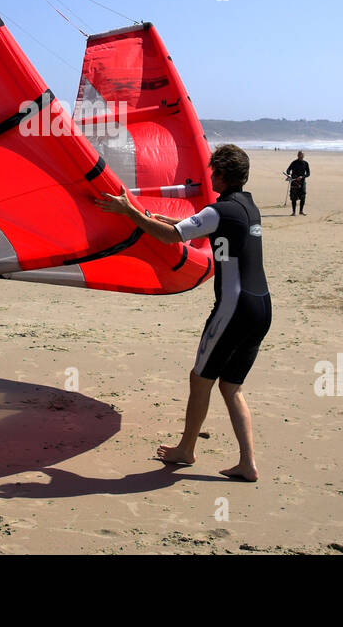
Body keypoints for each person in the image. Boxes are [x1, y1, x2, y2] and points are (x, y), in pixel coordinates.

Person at [95, 143, 271, 482]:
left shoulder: (220, 210)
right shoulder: (248, 209)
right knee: (230, 386)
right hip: (261, 307)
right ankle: (247, 463)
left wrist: (129, 211)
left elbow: (169, 238)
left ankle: (186, 449)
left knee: (200, 378)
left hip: (233, 308)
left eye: (213, 171)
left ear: (220, 173)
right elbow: (215, 230)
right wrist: (174, 221)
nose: (210, 175)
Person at [285, 150, 310, 215]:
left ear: (303, 156)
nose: (300, 156)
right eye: (299, 155)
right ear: (297, 155)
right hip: (294, 181)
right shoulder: (294, 162)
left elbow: (308, 174)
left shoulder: (306, 163)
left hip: (302, 182)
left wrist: (302, 177)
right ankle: (293, 212)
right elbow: (288, 169)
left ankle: (301, 211)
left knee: (303, 197)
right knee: (293, 197)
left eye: (302, 155)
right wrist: (289, 174)